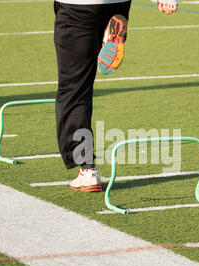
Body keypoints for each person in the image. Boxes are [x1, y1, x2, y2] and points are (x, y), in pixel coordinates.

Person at [53, 0, 178, 192]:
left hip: (77, 7)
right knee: (78, 86)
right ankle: (109, 36)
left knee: (74, 90)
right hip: (117, 4)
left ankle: (87, 169)